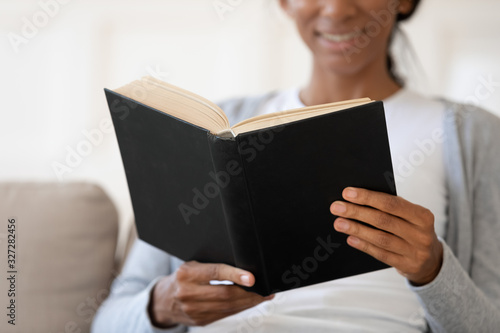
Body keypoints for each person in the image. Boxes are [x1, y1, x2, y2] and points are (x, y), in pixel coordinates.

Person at [92, 0, 500, 332]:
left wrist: (433, 269)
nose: (337, 10)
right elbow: (108, 322)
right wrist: (164, 305)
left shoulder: (469, 134)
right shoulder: (221, 127)